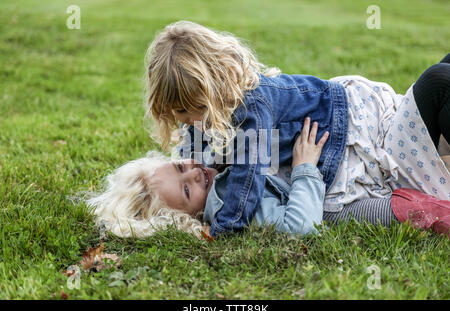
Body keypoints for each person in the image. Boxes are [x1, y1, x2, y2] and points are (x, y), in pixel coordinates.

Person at [144, 21, 450, 238]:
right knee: (438, 81)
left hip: (351, 126)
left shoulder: (250, 110)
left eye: (185, 111)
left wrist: (225, 227)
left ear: (210, 94)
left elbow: (247, 174)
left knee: (442, 77)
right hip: (355, 149)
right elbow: (205, 150)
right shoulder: (217, 113)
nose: (185, 122)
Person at [86, 119, 450, 240]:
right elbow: (302, 226)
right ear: (186, 217)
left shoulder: (213, 163)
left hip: (351, 160)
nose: (196, 173)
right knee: (407, 207)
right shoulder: (233, 206)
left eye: (182, 166)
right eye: (187, 190)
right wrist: (306, 167)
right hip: (336, 200)